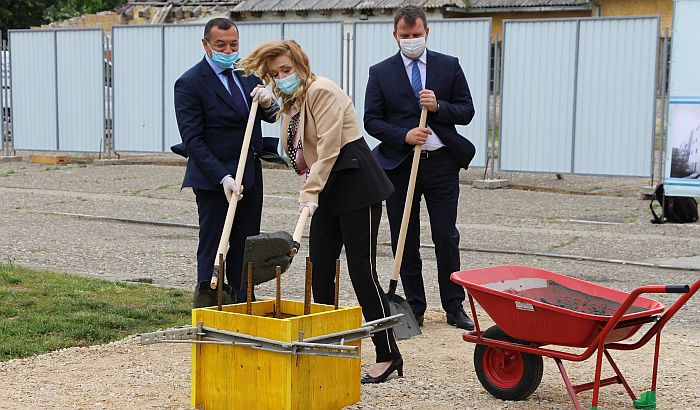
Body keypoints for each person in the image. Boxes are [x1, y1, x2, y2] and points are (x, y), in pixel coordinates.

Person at [238, 40, 403, 384]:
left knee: (361, 270)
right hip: (326, 188)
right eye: (274, 74)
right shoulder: (293, 102)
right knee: (320, 268)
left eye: (286, 70)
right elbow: (295, 149)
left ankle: (388, 353)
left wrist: (309, 191)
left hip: (356, 182)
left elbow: (328, 147)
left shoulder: (323, 90)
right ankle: (333, 345)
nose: (281, 77)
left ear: (300, 63)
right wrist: (272, 105)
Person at [364, 5, 476, 330]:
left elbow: (466, 111)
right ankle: (414, 306)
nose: (411, 40)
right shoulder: (380, 72)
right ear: (395, 35)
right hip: (399, 166)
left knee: (445, 236)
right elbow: (372, 120)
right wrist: (404, 135)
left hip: (440, 165)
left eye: (416, 35)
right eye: (405, 35)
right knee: (405, 237)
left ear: (427, 32)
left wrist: (439, 107)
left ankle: (454, 307)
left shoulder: (448, 66)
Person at [174, 17, 279, 306]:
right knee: (214, 246)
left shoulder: (247, 75)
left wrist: (270, 102)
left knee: (247, 246)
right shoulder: (190, 83)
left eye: (233, 44)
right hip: (214, 179)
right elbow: (193, 140)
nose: (228, 49)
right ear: (205, 44)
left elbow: (269, 115)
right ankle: (211, 305)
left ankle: (245, 303)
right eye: (220, 44)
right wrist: (223, 177)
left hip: (249, 173)